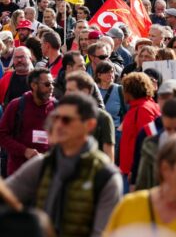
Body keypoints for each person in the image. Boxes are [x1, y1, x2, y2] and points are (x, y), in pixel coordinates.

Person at [6, 93, 123, 237]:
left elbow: (102, 232)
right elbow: (6, 194)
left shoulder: (105, 175)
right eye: (55, 118)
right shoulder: (42, 164)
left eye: (67, 120)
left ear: (89, 125)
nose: (58, 125)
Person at [0, 68, 56, 176]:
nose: (51, 88)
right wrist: (24, 151)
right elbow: (2, 135)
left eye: (53, 84)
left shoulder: (57, 107)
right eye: (47, 84)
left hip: (47, 174)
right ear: (34, 85)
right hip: (20, 173)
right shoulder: (16, 105)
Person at [119, 72, 161, 192]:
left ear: (130, 91)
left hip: (135, 173)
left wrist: (136, 170)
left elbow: (149, 141)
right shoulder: (145, 106)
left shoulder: (143, 109)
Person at [65, 71, 115, 162]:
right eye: (66, 90)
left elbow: (109, 155)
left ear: (85, 92)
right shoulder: (64, 116)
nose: (66, 94)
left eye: (70, 90)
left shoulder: (103, 118)